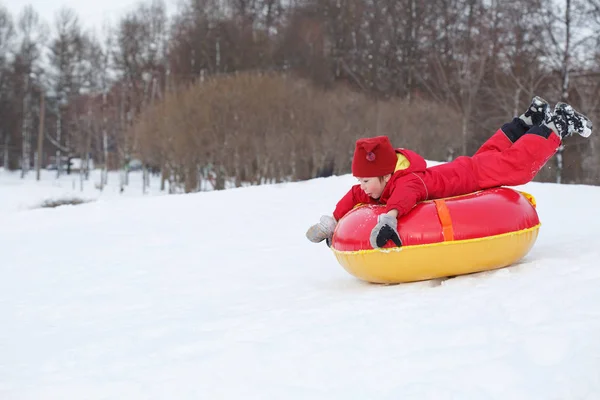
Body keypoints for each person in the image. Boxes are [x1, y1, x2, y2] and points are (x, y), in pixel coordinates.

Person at [306, 97, 593, 249]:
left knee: (517, 166)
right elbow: (354, 196)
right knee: (495, 154)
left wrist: (390, 217)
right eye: (360, 181)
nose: (363, 187)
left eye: (366, 180)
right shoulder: (378, 185)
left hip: (474, 177)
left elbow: (406, 196)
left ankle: (558, 124)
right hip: (468, 169)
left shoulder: (407, 180)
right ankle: (529, 119)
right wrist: (331, 221)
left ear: (384, 175)